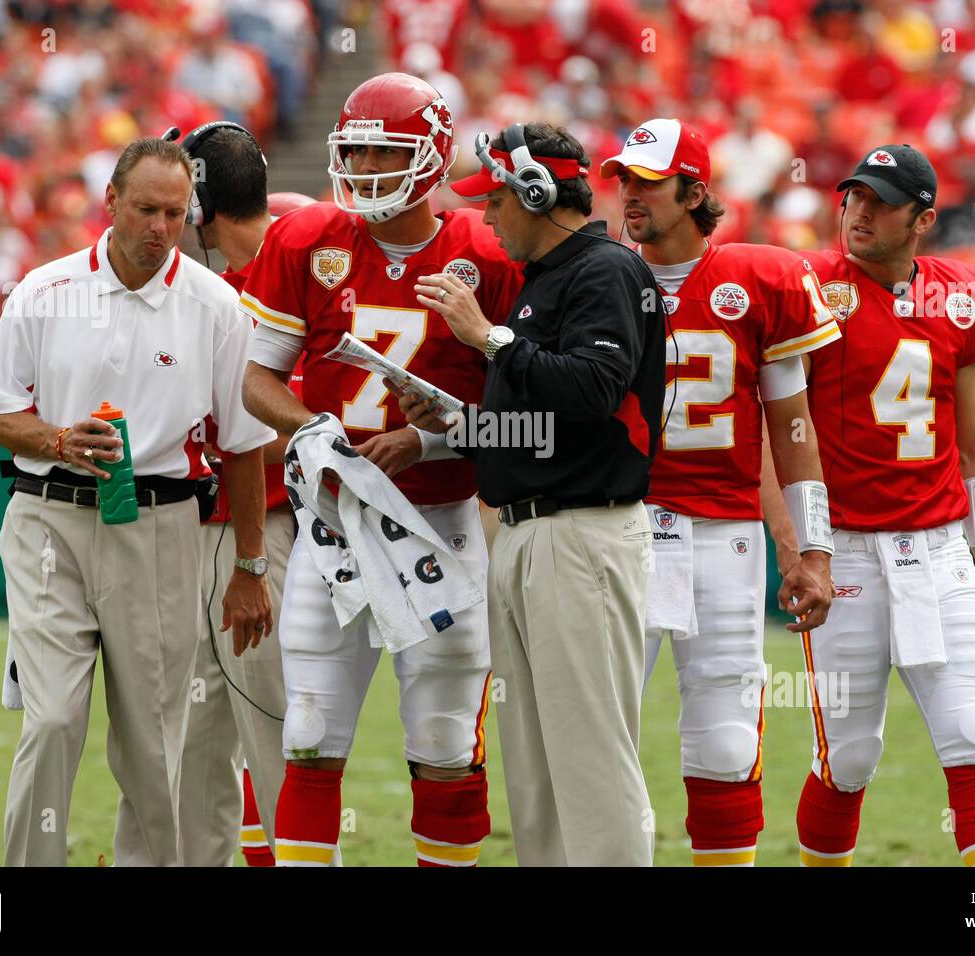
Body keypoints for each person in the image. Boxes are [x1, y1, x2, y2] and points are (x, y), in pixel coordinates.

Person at [239, 73, 523, 867]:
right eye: (354, 149)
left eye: (382, 150)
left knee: (442, 742)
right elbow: (257, 379)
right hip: (337, 524)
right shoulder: (309, 240)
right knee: (308, 732)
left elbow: (522, 405)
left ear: (432, 156)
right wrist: (314, 430)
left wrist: (430, 443)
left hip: (440, 519)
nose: (363, 166)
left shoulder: (486, 251)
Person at [0, 137, 275, 866]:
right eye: (145, 208)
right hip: (49, 520)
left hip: (163, 524)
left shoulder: (216, 307)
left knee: (154, 739)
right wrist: (56, 439)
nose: (160, 227)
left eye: (175, 213)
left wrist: (250, 563)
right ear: (109, 202)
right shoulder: (43, 292)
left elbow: (242, 447)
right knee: (51, 722)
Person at [402, 121, 667, 866]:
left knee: (589, 757)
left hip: (580, 536)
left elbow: (592, 388)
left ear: (536, 192)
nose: (486, 217)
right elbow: (545, 431)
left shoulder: (605, 271)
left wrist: (485, 337)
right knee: (537, 766)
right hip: (530, 535)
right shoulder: (548, 280)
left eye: (495, 201)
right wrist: (457, 425)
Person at [765, 144, 975, 867]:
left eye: (880, 200)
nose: (860, 211)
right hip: (843, 550)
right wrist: (796, 546)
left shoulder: (959, 296)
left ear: (924, 219)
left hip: (940, 552)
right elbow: (774, 430)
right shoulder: (809, 285)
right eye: (853, 196)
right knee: (848, 758)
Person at [602, 117, 839, 866]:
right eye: (625, 180)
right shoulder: (601, 277)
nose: (630, 195)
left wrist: (810, 546)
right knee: (597, 735)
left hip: (724, 535)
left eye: (649, 181)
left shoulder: (758, 278)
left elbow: (792, 429)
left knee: (725, 742)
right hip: (617, 529)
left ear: (693, 190)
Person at [174, 121, 313, 868]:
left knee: (280, 731)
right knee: (194, 742)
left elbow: (318, 420)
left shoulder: (293, 258)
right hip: (197, 522)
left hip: (269, 523)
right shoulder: (213, 279)